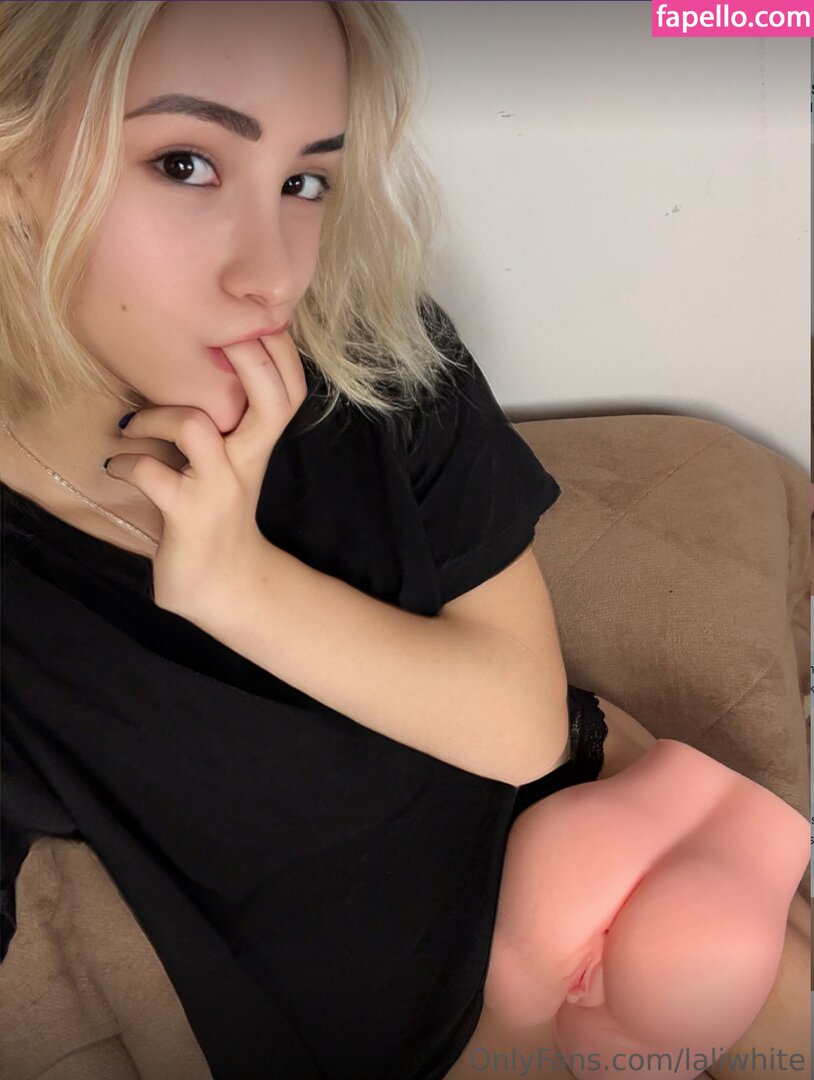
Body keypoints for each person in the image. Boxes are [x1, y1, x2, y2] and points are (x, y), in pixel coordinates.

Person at [0, 4, 809, 1079]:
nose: (272, 275)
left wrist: (241, 586)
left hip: (620, 831)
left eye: (306, 181)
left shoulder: (377, 354)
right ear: (13, 165)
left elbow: (522, 731)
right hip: (434, 1038)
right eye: (185, 164)